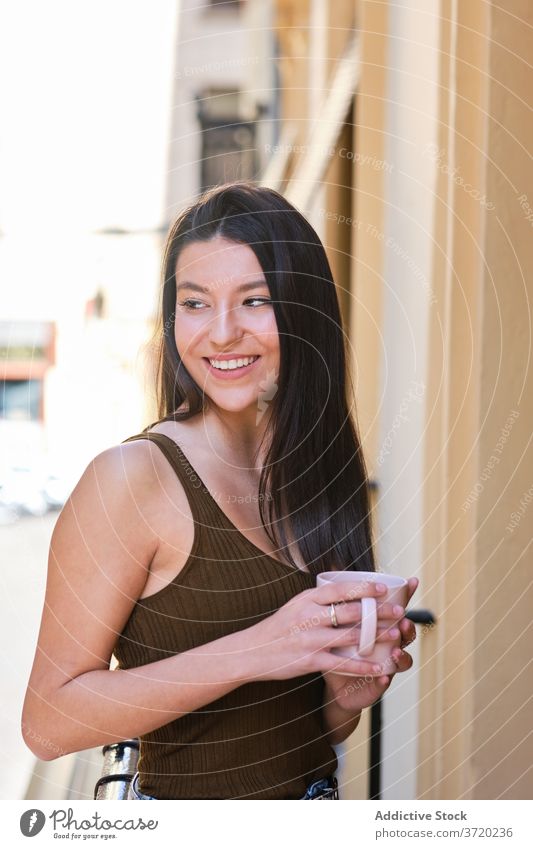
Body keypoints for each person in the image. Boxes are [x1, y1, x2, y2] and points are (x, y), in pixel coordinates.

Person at [22, 181, 418, 800]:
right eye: (196, 302)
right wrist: (258, 649)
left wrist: (348, 693)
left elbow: (309, 732)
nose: (222, 332)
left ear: (303, 311)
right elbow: (48, 723)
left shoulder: (320, 470)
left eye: (254, 300)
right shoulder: (133, 478)